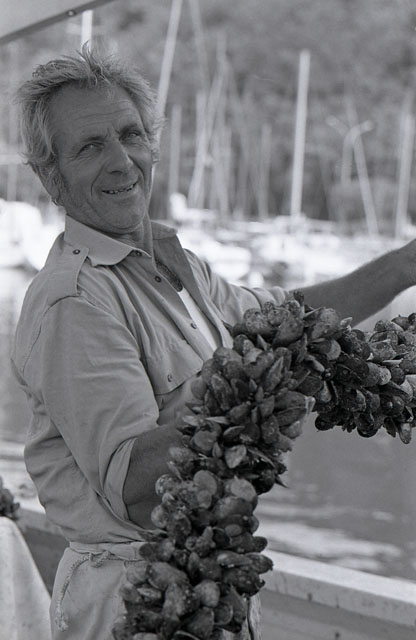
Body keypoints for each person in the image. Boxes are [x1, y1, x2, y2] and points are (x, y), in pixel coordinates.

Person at [11, 46, 416, 640]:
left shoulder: (177, 263)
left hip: (216, 574)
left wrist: (404, 265)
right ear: (52, 177)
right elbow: (136, 490)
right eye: (90, 147)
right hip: (132, 599)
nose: (121, 160)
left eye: (130, 134)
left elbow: (294, 317)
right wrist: (252, 393)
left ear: (153, 144)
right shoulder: (75, 302)